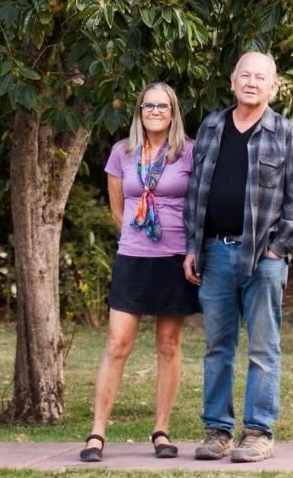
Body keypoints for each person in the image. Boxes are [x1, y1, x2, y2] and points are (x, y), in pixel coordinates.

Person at [182, 52, 293, 464]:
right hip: (215, 253)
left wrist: (278, 249)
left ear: (274, 87)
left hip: (264, 259)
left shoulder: (286, 133)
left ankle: (257, 432)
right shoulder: (212, 127)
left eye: (261, 77)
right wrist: (192, 246)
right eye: (245, 75)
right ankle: (217, 431)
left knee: (262, 347)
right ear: (232, 80)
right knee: (217, 347)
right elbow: (195, 192)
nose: (252, 82)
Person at [80, 81, 200, 463]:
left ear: (173, 112)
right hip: (133, 256)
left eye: (162, 106)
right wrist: (138, 237)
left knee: (168, 345)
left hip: (175, 257)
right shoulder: (122, 152)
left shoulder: (190, 153)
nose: (155, 112)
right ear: (139, 111)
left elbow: (198, 207)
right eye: (148, 105)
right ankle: (97, 434)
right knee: (117, 344)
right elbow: (118, 209)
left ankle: (161, 431)